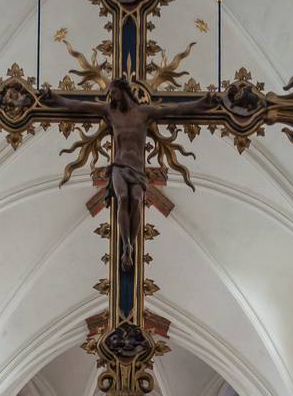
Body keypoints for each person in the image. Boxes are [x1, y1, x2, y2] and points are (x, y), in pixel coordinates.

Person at [40, 77, 217, 270]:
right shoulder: (111, 112)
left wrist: (201, 104)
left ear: (123, 91)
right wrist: (56, 99)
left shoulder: (144, 113)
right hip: (118, 166)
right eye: (110, 94)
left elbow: (173, 110)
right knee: (123, 198)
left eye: (114, 93)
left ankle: (131, 243)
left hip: (138, 170)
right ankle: (126, 246)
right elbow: (80, 105)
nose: (112, 97)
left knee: (137, 201)